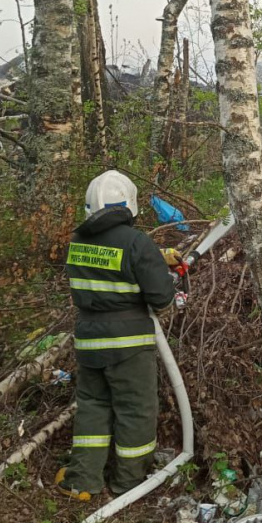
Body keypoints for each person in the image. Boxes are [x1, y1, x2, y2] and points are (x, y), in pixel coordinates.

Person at [56, 170, 175, 500]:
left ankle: (83, 480)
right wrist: (162, 271)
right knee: (136, 410)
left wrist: (155, 258)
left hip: (89, 340)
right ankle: (129, 483)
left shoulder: (78, 242)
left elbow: (109, 266)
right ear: (129, 204)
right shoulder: (137, 242)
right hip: (128, 344)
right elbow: (161, 299)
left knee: (93, 405)